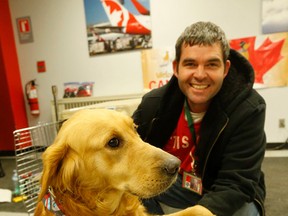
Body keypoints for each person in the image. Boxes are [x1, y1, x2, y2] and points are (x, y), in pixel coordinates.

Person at [132, 21, 266, 216]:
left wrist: (199, 212)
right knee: (132, 189)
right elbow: (130, 157)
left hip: (224, 187)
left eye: (211, 64)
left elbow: (236, 183)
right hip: (177, 182)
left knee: (244, 212)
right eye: (190, 64)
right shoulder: (153, 103)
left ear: (226, 69)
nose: (200, 75)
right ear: (177, 68)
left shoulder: (248, 109)